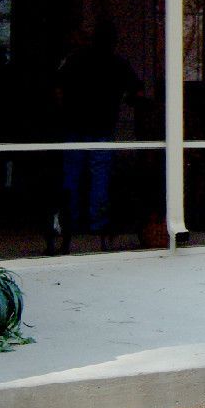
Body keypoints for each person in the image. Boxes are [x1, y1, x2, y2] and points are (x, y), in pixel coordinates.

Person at [54, 19, 142, 250]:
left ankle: (69, 222)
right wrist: (124, 98)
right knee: (99, 176)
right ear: (113, 42)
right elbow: (138, 92)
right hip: (101, 126)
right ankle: (97, 224)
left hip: (74, 125)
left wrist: (65, 110)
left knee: (71, 175)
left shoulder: (75, 60)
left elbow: (58, 89)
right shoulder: (117, 63)